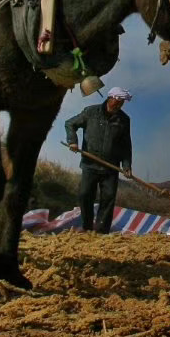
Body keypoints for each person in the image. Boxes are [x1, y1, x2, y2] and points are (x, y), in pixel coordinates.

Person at [63, 87, 133, 234]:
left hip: (111, 167)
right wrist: (72, 141)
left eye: (122, 103)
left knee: (108, 199)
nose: (119, 105)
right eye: (118, 102)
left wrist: (126, 165)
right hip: (90, 164)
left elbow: (126, 145)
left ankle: (101, 231)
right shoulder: (91, 112)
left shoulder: (124, 120)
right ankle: (87, 226)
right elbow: (70, 123)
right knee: (85, 194)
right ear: (110, 98)